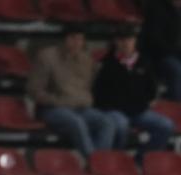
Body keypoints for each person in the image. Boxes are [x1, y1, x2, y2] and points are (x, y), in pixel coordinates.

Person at [27, 24, 116, 158]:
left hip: (81, 107)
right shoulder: (47, 57)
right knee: (76, 122)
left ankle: (100, 161)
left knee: (107, 122)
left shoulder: (86, 59)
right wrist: (58, 101)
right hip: (52, 108)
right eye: (73, 38)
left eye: (80, 39)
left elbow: (90, 86)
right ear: (64, 39)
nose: (77, 43)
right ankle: (94, 161)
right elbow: (34, 90)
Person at [93, 24, 174, 154]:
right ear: (116, 42)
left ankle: (141, 160)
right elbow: (99, 92)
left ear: (134, 41)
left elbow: (151, 88)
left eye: (129, 39)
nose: (125, 43)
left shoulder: (144, 62)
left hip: (138, 110)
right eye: (121, 39)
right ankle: (116, 158)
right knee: (121, 125)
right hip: (114, 110)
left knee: (166, 125)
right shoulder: (106, 64)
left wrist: (146, 102)